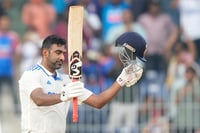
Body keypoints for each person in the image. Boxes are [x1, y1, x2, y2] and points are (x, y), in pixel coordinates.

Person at [18, 32, 146, 133]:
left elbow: (98, 102)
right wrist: (64, 95)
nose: (62, 57)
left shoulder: (66, 80)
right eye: (58, 53)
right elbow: (38, 99)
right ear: (45, 53)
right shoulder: (32, 74)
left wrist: (122, 79)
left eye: (63, 53)